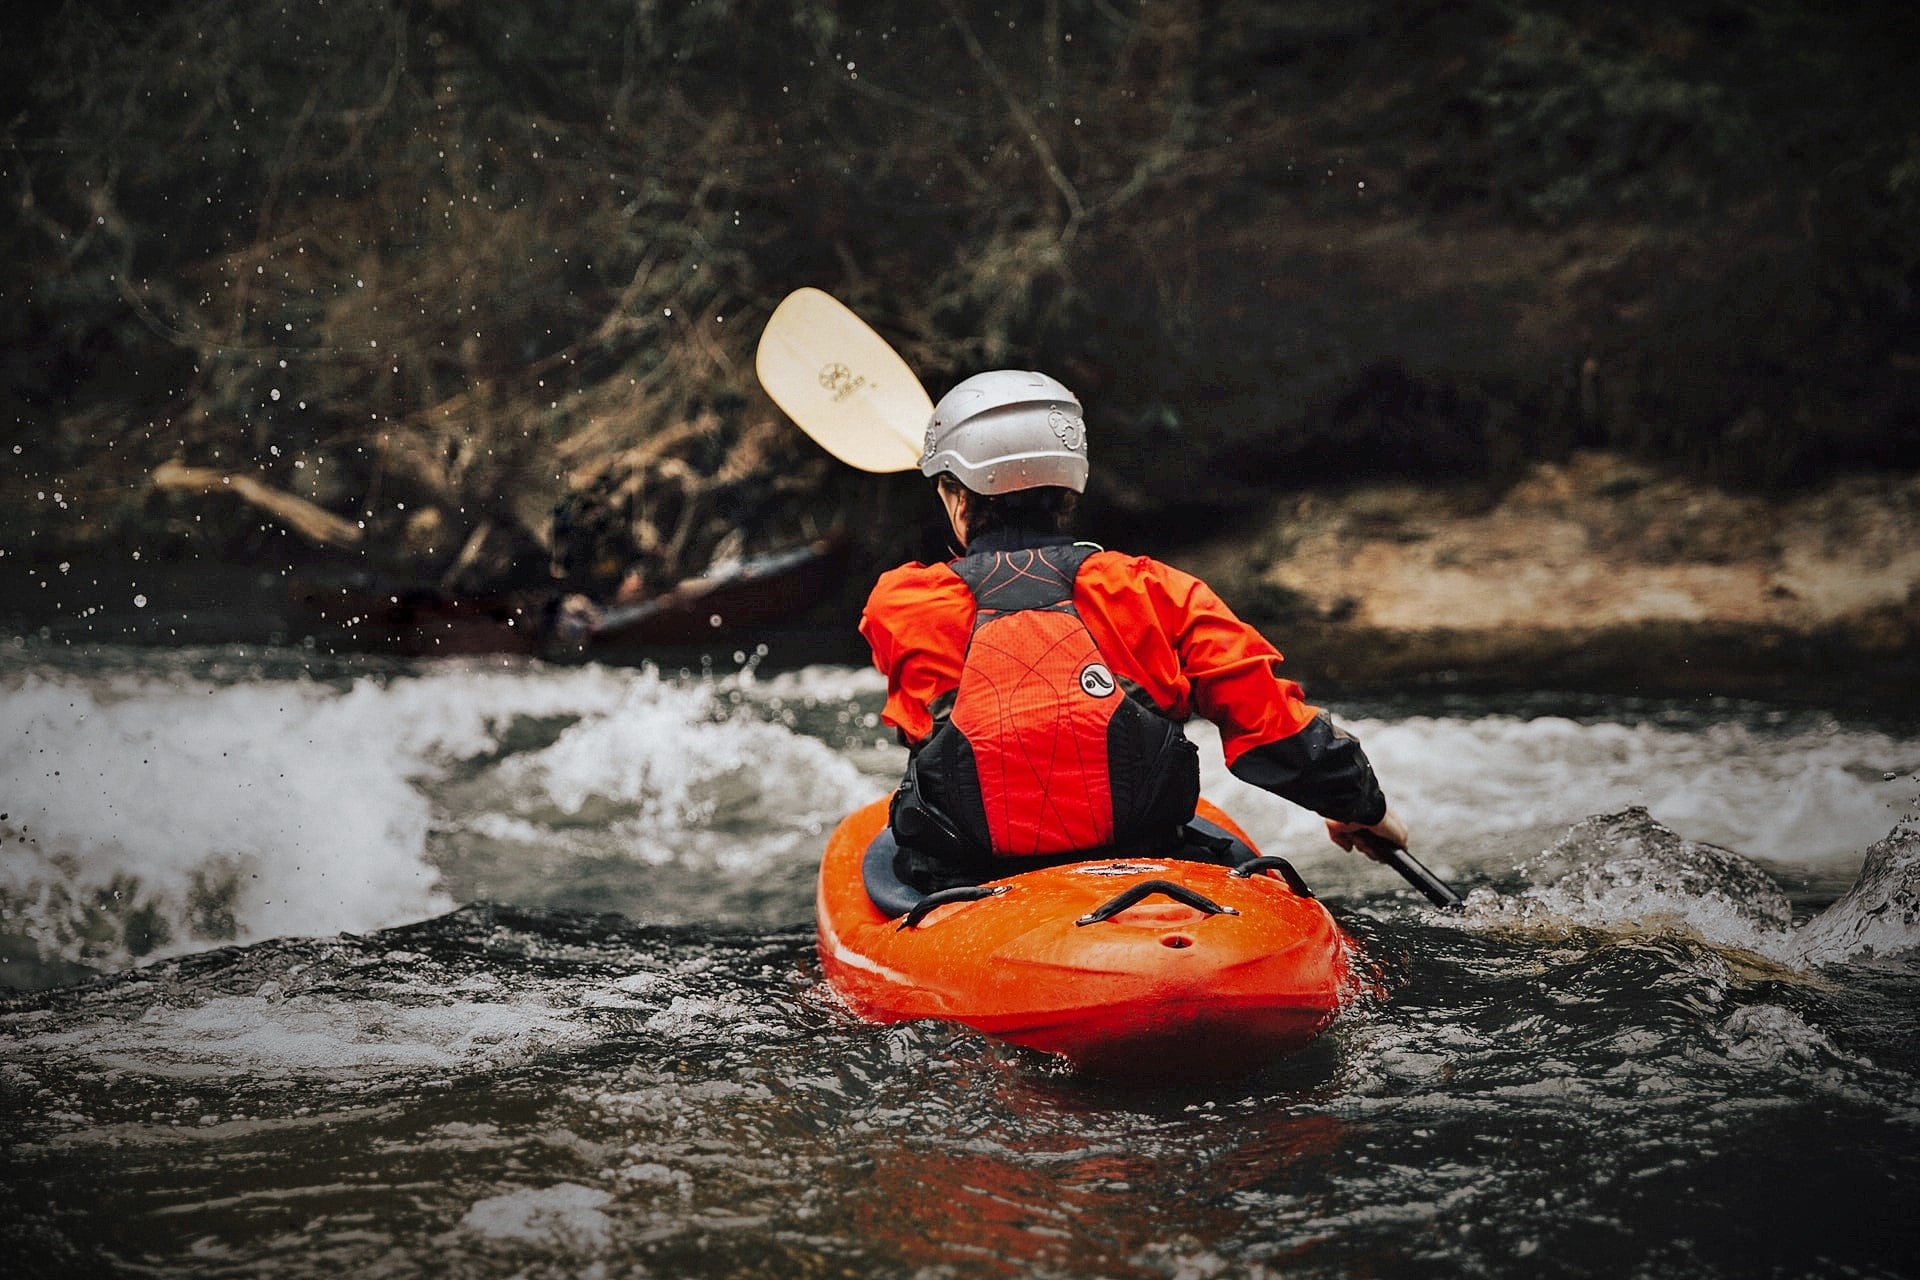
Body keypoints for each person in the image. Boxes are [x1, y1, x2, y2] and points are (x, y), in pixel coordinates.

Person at [859, 369, 1411, 893]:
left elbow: (924, 718)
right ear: (1071, 489)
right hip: (1148, 862)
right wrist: (1362, 809)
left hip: (968, 880)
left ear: (958, 499)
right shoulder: (1160, 591)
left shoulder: (901, 603)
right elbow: (1274, 729)